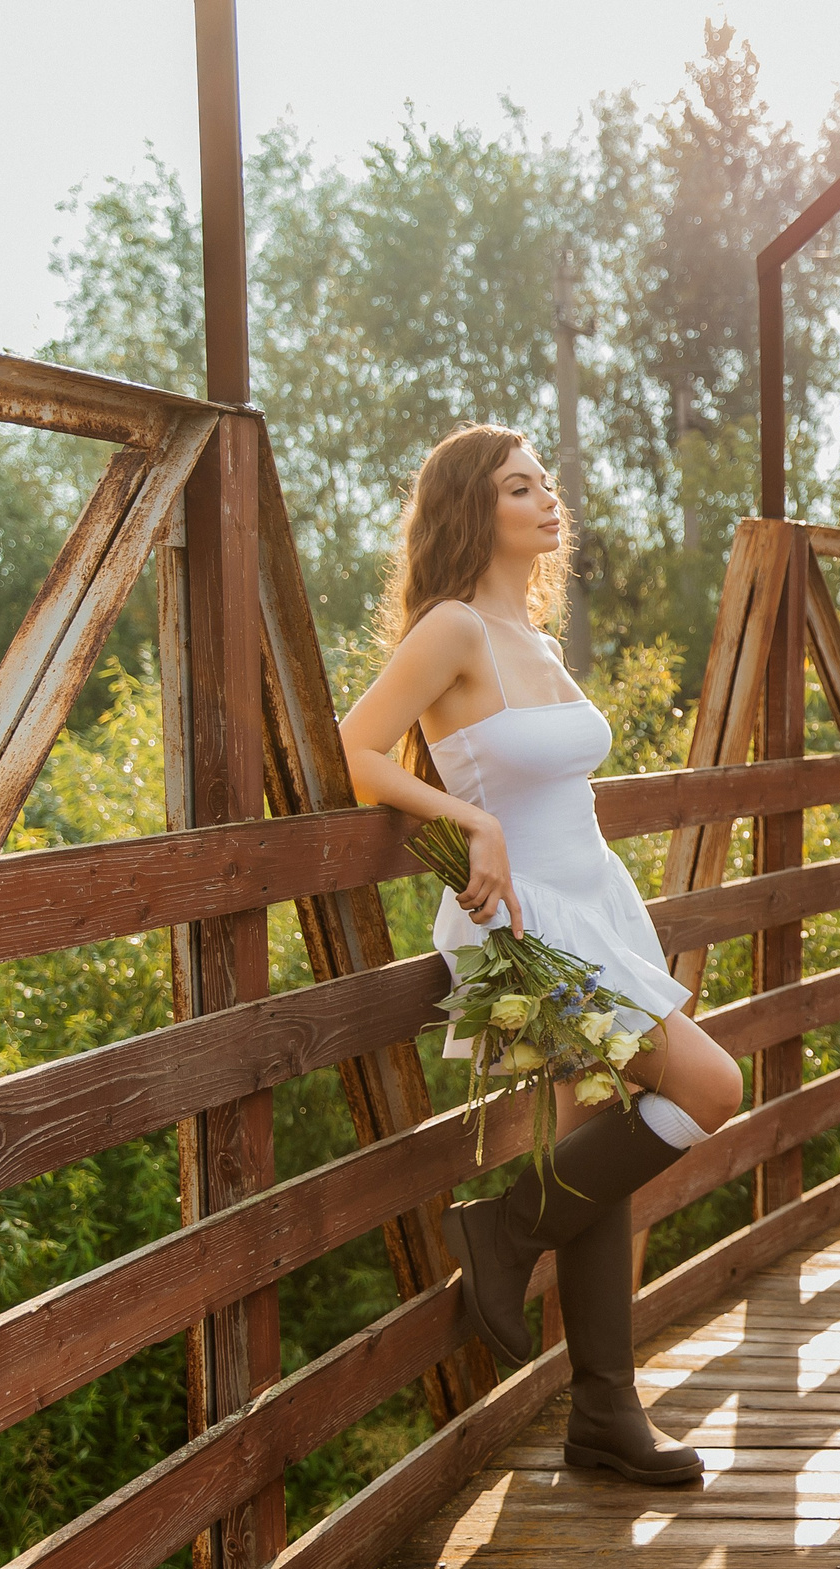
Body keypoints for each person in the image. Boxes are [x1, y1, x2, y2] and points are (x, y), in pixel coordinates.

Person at [340, 423, 747, 1486]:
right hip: (524, 925)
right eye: (521, 488)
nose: (547, 500)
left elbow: (561, 795)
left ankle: (604, 1416)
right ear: (476, 509)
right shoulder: (453, 630)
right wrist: (468, 825)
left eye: (544, 485)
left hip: (593, 907)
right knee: (710, 1083)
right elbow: (356, 750)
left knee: (600, 1148)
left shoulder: (540, 641)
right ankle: (503, 1226)